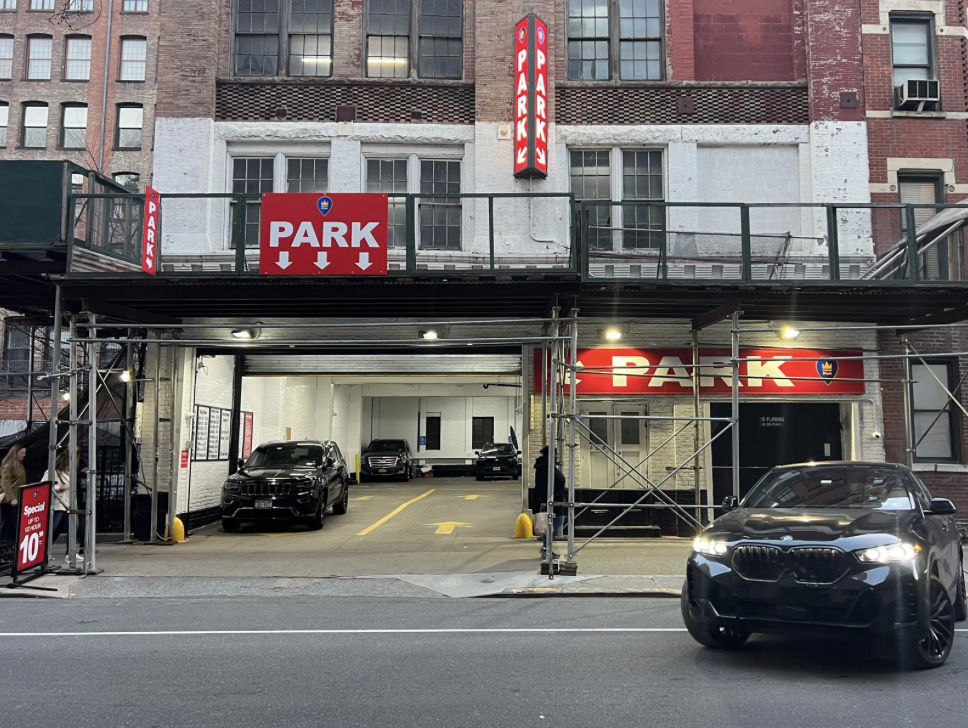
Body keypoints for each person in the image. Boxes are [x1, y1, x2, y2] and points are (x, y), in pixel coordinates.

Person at [533, 445, 566, 559]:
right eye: (556, 454)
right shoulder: (544, 467)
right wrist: (542, 500)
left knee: (551, 525)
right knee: (554, 524)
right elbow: (540, 484)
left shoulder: (549, 466)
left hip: (556, 499)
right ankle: (546, 549)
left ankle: (547, 549)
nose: (558, 457)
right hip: (550, 500)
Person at [43, 450, 72, 554]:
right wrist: (59, 487)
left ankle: (70, 552)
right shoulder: (52, 472)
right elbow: (44, 486)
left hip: (68, 504)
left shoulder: (69, 473)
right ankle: (44, 549)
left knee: (73, 527)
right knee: (53, 527)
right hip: (58, 504)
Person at [1, 444, 27, 544]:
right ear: (15, 453)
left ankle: (11, 544)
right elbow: (5, 483)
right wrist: (11, 498)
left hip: (18, 497)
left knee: (14, 523)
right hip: (8, 500)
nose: (24, 455)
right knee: (7, 523)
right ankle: (4, 544)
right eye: (22, 453)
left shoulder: (20, 465)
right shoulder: (8, 465)